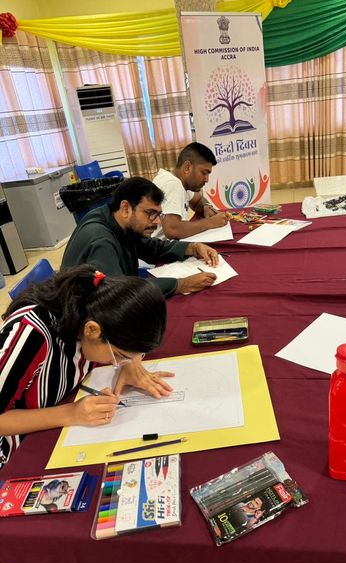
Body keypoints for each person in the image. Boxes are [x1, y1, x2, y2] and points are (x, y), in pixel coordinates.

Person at [0, 265, 173, 469]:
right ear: (92, 330)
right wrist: (71, 413)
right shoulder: (31, 336)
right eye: (118, 355)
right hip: (13, 450)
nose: (116, 363)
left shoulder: (92, 309)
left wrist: (130, 363)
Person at [61, 177, 218, 297]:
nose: (157, 222)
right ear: (125, 208)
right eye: (150, 214)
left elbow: (151, 247)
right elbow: (120, 294)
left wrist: (193, 247)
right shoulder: (101, 240)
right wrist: (181, 285)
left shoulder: (117, 220)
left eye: (158, 214)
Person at [152, 142, 230, 240]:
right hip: (159, 253)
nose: (207, 179)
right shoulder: (172, 184)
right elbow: (172, 230)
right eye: (204, 173)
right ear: (187, 168)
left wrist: (206, 207)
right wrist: (211, 222)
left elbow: (198, 200)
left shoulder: (180, 183)